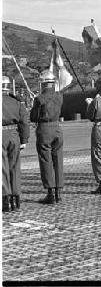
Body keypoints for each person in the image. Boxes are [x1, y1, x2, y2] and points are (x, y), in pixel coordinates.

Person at [30, 70, 64, 204]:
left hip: (44, 129)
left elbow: (33, 117)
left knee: (46, 160)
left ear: (43, 84)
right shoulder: (59, 96)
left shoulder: (39, 98)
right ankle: (59, 191)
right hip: (57, 128)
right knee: (58, 160)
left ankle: (50, 193)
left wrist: (35, 105)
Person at [2, 76, 29, 212]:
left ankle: (5, 199)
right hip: (14, 135)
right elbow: (24, 121)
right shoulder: (17, 102)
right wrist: (24, 140)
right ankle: (16, 198)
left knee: (2, 168)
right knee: (14, 166)